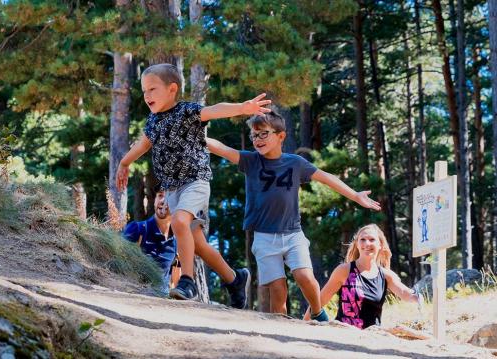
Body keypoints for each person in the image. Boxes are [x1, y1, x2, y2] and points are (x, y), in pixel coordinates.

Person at [116, 63, 271, 308]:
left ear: (172, 89)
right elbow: (142, 145)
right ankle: (235, 279)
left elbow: (214, 110)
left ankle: (187, 281)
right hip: (173, 189)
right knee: (198, 244)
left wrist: (242, 108)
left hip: (196, 182)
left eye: (152, 90)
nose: (147, 96)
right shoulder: (153, 122)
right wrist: (124, 163)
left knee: (178, 222)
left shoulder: (187, 111)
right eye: (144, 91)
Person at [206, 111, 381, 321]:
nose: (257, 140)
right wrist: (194, 134)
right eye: (254, 135)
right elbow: (223, 149)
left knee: (304, 276)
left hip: (293, 234)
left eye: (263, 134)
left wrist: (355, 195)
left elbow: (326, 178)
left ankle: (317, 312)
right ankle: (280, 329)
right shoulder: (251, 161)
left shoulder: (295, 163)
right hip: (264, 237)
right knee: (278, 289)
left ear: (280, 136)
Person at [304, 224, 421, 328]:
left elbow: (406, 294)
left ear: (380, 245)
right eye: (363, 240)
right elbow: (319, 301)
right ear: (357, 244)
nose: (367, 244)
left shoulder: (386, 276)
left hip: (371, 338)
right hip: (342, 334)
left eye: (372, 239)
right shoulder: (344, 270)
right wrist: (302, 324)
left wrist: (423, 297)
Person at [123, 187, 179, 292]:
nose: (163, 200)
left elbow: (174, 283)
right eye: (160, 195)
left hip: (162, 301)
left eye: (169, 197)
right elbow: (117, 262)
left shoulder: (177, 242)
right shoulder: (137, 229)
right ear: (155, 201)